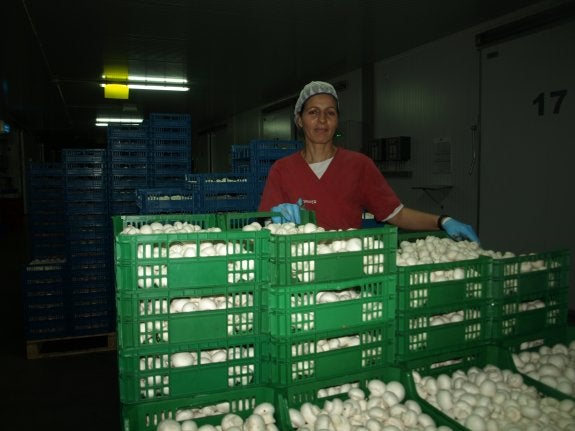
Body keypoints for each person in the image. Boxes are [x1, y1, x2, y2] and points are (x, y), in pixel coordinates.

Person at [258, 81, 480, 243]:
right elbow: (263, 225)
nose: (322, 120)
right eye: (313, 112)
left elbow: (397, 214)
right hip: (296, 272)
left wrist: (443, 220)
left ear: (337, 121)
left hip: (347, 269)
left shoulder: (359, 165)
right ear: (299, 119)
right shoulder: (282, 169)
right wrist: (273, 218)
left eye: (330, 113)